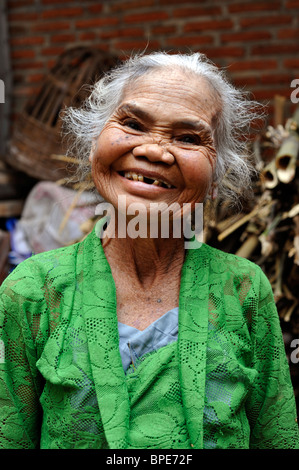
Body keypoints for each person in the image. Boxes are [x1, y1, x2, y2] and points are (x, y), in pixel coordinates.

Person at [0, 51, 298, 450]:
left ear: (216, 175)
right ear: (93, 145)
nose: (155, 151)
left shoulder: (243, 290)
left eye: (189, 138)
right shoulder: (32, 292)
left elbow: (277, 438)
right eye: (133, 124)